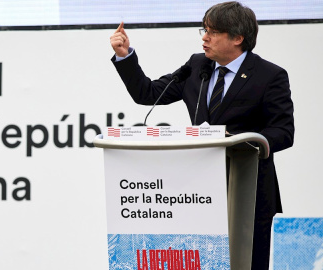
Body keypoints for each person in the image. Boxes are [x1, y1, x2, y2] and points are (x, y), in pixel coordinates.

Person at [109, 1, 294, 269]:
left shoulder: (269, 75)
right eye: (203, 30)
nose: (204, 38)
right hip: (198, 191)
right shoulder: (197, 66)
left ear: (237, 38)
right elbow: (148, 93)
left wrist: (239, 139)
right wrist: (125, 56)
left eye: (213, 32)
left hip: (249, 194)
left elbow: (283, 132)